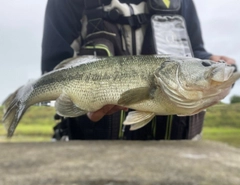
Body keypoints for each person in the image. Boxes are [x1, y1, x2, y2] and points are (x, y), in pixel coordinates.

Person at [41, 0, 236, 140]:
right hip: (92, 150)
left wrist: (209, 60)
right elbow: (53, 71)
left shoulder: (182, 2)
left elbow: (194, 52)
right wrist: (83, 103)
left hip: (174, 153)